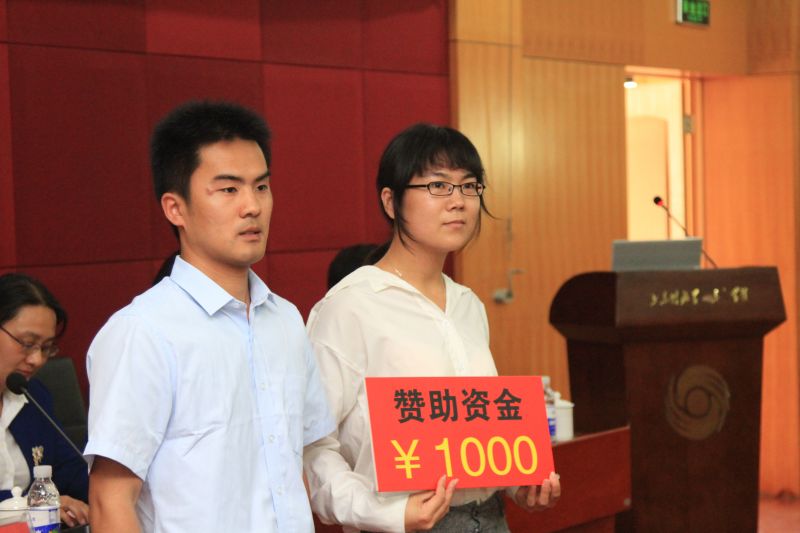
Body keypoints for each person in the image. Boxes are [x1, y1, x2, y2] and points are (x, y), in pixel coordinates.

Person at [84, 100, 335, 532]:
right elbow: (110, 501)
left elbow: (294, 466)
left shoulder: (286, 320)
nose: (252, 206)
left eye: (261, 187)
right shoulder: (143, 331)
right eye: (229, 190)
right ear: (175, 208)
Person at [303, 123, 561, 532]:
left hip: (490, 519)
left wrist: (518, 483)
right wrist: (388, 514)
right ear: (391, 201)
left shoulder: (467, 304)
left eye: (469, 186)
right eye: (438, 186)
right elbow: (315, 446)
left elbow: (475, 429)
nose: (458, 201)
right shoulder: (350, 306)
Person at [0, 273, 89, 528]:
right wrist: (37, 505)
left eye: (47, 347)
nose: (37, 360)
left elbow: (72, 472)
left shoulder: (32, 395)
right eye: (27, 344)